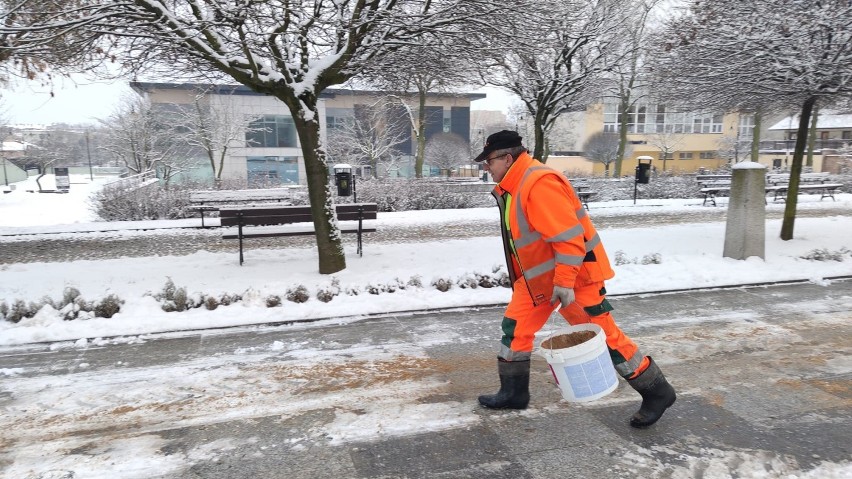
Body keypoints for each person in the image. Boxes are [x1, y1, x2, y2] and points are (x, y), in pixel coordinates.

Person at [473, 130, 676, 428]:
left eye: (489, 161)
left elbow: (570, 241)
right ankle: (513, 393)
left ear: (507, 158)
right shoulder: (516, 185)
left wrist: (564, 282)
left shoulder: (537, 183)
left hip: (573, 279)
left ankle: (657, 391)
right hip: (538, 282)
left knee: (603, 336)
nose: (486, 168)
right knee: (515, 329)